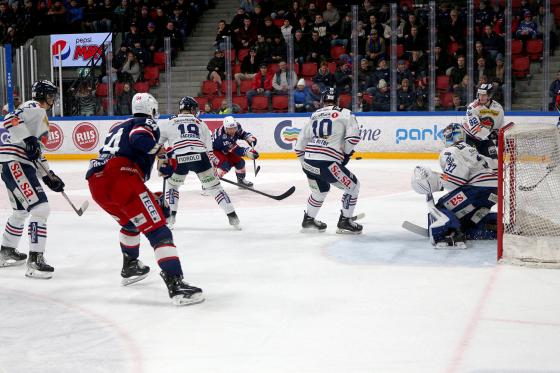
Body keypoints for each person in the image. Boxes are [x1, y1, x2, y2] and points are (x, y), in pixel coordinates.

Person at [86, 93, 204, 306]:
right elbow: (139, 139)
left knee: (132, 222)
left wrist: (160, 163)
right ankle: (176, 284)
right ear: (152, 110)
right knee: (159, 229)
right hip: (121, 177)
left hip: (97, 182)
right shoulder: (147, 122)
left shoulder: (118, 126)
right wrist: (161, 154)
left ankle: (130, 266)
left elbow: (130, 149)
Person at [0, 80, 64, 278]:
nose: (53, 99)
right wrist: (28, 140)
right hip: (15, 162)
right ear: (43, 95)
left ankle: (6, 251)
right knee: (40, 208)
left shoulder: (39, 115)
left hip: (15, 163)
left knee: (20, 211)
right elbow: (10, 118)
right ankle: (35, 260)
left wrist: (48, 175)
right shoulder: (34, 106)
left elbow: (36, 152)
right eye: (50, 95)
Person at [157, 97, 240, 229]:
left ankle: (171, 218)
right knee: (215, 188)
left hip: (179, 158)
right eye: (194, 108)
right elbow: (209, 149)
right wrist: (213, 166)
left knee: (172, 186)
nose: (196, 111)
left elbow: (158, 145)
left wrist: (162, 161)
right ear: (190, 108)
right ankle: (233, 217)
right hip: (200, 157)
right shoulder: (200, 122)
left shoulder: (169, 122)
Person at [410, 123, 498, 248]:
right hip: (494, 191)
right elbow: (494, 165)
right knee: (467, 221)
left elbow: (457, 180)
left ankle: (448, 234)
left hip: (478, 189)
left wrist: (438, 180)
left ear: (449, 137)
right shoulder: (469, 148)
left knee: (442, 206)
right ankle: (492, 226)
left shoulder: (449, 151)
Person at [294, 87, 362, 234]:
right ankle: (345, 221)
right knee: (353, 187)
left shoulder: (314, 115)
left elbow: (299, 146)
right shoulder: (345, 113)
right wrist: (346, 155)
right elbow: (353, 138)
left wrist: (304, 164)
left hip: (308, 162)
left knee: (320, 191)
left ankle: (309, 220)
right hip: (327, 163)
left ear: (321, 101)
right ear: (336, 100)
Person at [461, 83, 505, 169]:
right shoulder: (472, 107)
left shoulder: (498, 108)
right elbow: (475, 128)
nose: (481, 97)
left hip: (486, 139)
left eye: (484, 95)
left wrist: (501, 139)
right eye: (480, 94)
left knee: (496, 164)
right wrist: (493, 135)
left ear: (490, 95)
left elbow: (499, 126)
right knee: (473, 165)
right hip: (471, 138)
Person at [212, 116, 258, 188]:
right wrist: (248, 152)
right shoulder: (222, 137)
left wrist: (249, 138)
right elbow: (236, 150)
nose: (232, 131)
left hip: (225, 149)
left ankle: (241, 181)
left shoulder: (237, 126)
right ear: (225, 128)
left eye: (234, 128)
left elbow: (242, 134)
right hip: (214, 151)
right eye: (229, 129)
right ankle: (210, 185)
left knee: (240, 162)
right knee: (224, 165)